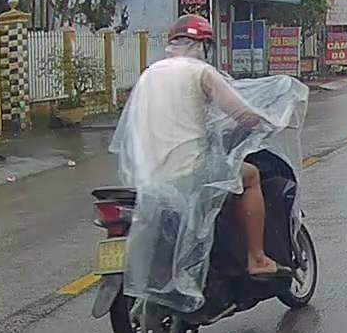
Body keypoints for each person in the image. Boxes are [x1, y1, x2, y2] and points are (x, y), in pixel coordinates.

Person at [124, 14, 290, 279]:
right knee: (251, 177)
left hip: (148, 175)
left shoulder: (149, 74)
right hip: (190, 172)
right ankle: (257, 258)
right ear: (203, 45)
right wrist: (270, 121)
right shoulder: (201, 72)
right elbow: (243, 114)